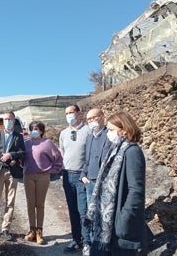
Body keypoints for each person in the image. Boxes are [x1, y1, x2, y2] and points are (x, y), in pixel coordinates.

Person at [87, 111, 146, 256]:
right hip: (106, 222)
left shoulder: (132, 152)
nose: (108, 133)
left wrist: (124, 219)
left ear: (124, 130)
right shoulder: (114, 150)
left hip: (118, 223)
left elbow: (136, 191)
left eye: (112, 130)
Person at [23, 121, 63, 245]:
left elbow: (58, 159)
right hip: (28, 176)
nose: (33, 131)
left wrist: (51, 170)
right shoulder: (26, 144)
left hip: (43, 177)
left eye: (36, 128)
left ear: (41, 130)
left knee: (39, 204)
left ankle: (39, 232)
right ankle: (32, 230)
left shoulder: (48, 143)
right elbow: (21, 158)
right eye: (31, 129)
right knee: (30, 203)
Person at [59, 104, 92, 255]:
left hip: (82, 176)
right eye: (66, 113)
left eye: (71, 112)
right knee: (72, 210)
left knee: (83, 210)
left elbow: (91, 154)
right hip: (67, 175)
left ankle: (87, 242)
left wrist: (85, 173)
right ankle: (76, 240)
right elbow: (63, 152)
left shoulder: (88, 130)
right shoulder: (64, 133)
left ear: (78, 113)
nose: (69, 115)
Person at [0, 111, 26, 241]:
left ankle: (6, 228)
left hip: (12, 172)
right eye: (5, 119)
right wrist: (3, 157)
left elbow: (23, 152)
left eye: (10, 119)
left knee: (10, 202)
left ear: (14, 121)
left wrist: (11, 156)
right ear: (2, 121)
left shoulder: (18, 136)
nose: (7, 121)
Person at [81, 108, 112, 204]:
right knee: (92, 213)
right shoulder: (89, 137)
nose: (90, 121)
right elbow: (87, 159)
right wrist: (83, 175)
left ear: (102, 117)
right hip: (90, 181)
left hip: (104, 182)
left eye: (93, 118)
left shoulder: (110, 135)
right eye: (88, 119)